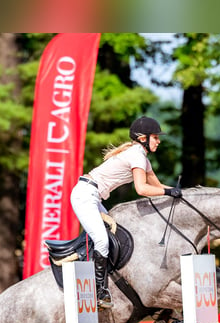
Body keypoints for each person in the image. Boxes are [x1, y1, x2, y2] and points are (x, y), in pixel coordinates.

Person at [70, 116, 181, 309]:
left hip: (93, 197)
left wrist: (181, 194)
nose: (159, 140)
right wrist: (169, 192)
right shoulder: (137, 155)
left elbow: (158, 186)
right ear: (143, 138)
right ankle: (98, 291)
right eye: (155, 137)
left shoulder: (141, 157)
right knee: (103, 240)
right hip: (85, 195)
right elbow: (143, 189)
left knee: (116, 237)